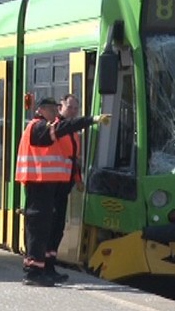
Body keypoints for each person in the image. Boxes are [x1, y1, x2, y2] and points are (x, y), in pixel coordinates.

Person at [15, 97, 109, 286]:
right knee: (39, 229)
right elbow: (59, 130)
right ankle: (33, 271)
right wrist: (91, 120)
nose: (54, 112)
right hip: (39, 184)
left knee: (49, 228)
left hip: (50, 185)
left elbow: (70, 157)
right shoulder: (38, 127)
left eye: (55, 108)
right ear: (41, 110)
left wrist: (76, 179)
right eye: (51, 109)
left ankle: (46, 267)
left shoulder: (43, 126)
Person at [47, 94, 84, 283]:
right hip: (52, 184)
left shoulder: (74, 134)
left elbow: (74, 160)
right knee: (51, 225)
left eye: (76, 109)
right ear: (60, 107)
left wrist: (78, 179)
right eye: (70, 107)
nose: (73, 112)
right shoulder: (56, 128)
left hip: (65, 184)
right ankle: (45, 265)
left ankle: (50, 263)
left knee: (58, 227)